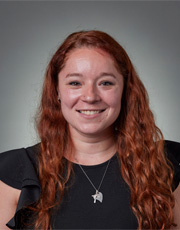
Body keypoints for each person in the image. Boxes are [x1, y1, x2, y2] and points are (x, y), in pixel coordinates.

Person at [0, 30, 180, 230]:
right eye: (75, 83)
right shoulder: (15, 172)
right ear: (57, 90)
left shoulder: (166, 164)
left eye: (106, 83)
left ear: (125, 90)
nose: (90, 96)